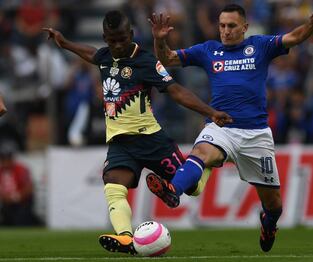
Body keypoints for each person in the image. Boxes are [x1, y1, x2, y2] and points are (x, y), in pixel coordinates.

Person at [145, 4, 313, 252]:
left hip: (256, 135)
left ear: (244, 27)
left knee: (275, 205)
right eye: (222, 26)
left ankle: (269, 223)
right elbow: (166, 58)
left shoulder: (260, 46)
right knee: (201, 152)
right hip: (220, 126)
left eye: (232, 26)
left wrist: (312, 24)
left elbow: (295, 37)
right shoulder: (208, 50)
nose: (225, 31)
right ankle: (173, 190)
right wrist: (160, 40)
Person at [43, 10, 232, 255]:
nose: (118, 45)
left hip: (151, 140)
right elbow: (91, 53)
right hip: (121, 144)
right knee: (112, 185)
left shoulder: (145, 61)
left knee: (193, 187)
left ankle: (207, 162)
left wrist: (210, 111)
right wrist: (65, 42)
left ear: (131, 34)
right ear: (105, 38)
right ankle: (125, 238)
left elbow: (175, 91)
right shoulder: (105, 57)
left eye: (123, 38)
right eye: (112, 41)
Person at [0, 141, 39, 226]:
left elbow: (29, 188)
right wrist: (5, 197)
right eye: (3, 158)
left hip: (22, 201)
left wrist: (15, 197)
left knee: (20, 220)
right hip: (7, 202)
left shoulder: (21, 169)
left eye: (8, 157)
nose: (5, 161)